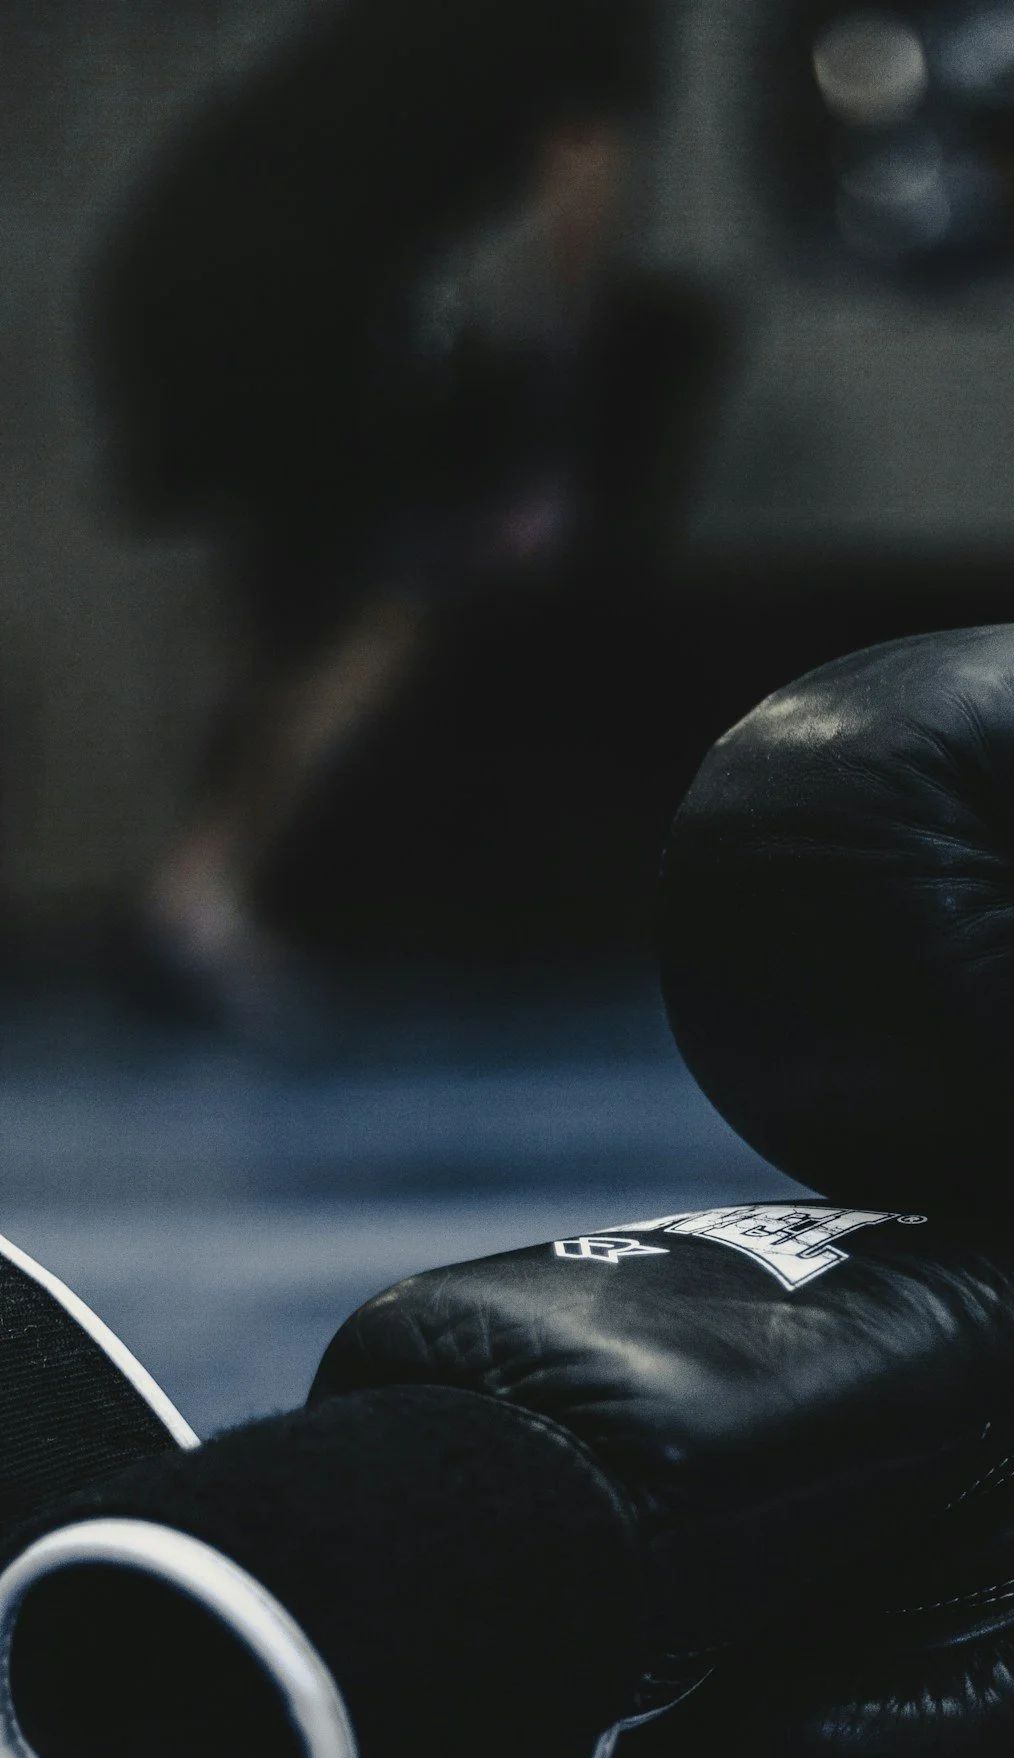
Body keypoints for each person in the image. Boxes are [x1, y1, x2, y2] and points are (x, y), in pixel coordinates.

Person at [87, 0, 728, 1024]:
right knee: (396, 592)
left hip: (166, 265)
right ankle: (198, 894)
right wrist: (547, 424)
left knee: (290, 597)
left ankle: (202, 886)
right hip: (292, 292)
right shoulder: (602, 21)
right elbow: (581, 187)